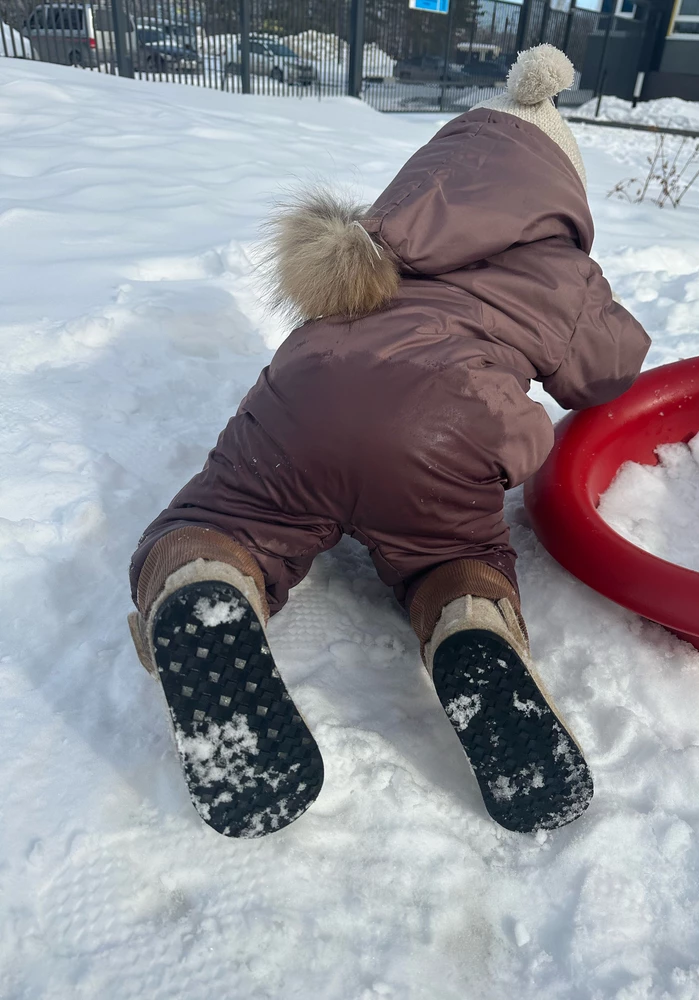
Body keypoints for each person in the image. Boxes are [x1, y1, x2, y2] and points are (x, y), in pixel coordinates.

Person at [128, 45, 650, 840]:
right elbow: (608, 372)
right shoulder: (560, 269)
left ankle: (205, 578)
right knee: (449, 550)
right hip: (445, 435)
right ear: (558, 191)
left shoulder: (377, 231)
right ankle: (467, 616)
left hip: (301, 402)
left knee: (233, 513)